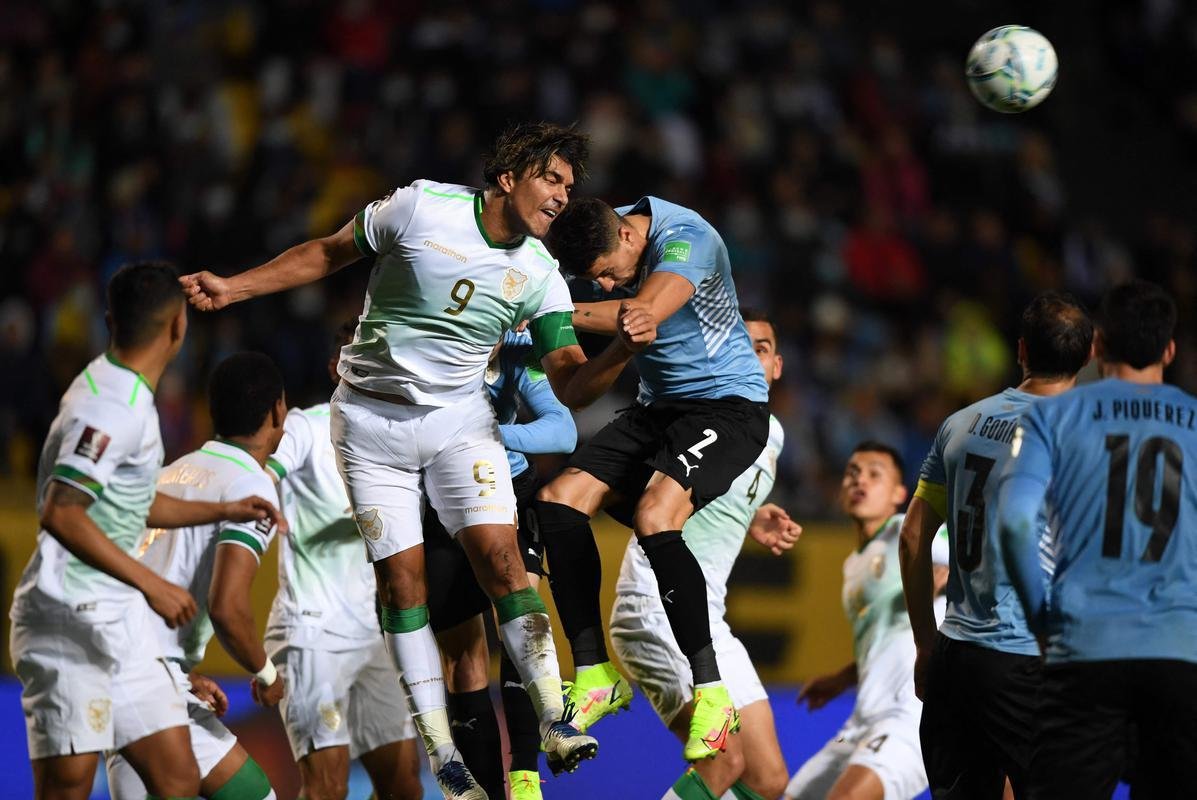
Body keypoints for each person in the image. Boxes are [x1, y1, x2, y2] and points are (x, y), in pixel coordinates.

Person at [179, 122, 654, 798]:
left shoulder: (540, 275)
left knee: (501, 557)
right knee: (403, 587)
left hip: (459, 421)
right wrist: (235, 288)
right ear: (509, 174)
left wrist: (620, 351)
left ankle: (556, 716)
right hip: (371, 418)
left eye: (570, 187)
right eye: (551, 179)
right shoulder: (419, 206)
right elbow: (324, 253)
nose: (561, 196)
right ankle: (444, 752)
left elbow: (570, 382)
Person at [9, 261, 282, 800]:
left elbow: (133, 502)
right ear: (178, 328)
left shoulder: (128, 395)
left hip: (119, 627)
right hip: (72, 618)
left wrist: (219, 512)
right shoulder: (111, 407)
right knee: (68, 788)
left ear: (110, 320)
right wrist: (154, 585)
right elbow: (62, 512)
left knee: (177, 781)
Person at [537, 195, 771, 762]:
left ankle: (712, 692)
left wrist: (545, 310)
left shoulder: (688, 237)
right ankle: (594, 670)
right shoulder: (599, 229)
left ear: (627, 237)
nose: (605, 284)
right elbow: (607, 334)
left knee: (653, 515)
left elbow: (639, 311)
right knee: (558, 500)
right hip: (659, 410)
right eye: (593, 279)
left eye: (606, 273)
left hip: (728, 407)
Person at [998, 280, 1197, 799]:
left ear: (1099, 344)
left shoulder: (1054, 416)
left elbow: (1016, 522)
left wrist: (1042, 622)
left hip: (1085, 648)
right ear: (1169, 350)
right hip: (1181, 650)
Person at [898, 291, 1094, 799]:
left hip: (957, 654)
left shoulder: (959, 424)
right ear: (1090, 355)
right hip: (1031, 662)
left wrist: (925, 644)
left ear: (1022, 350)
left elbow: (913, 535)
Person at [608, 308, 799, 800]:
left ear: (776, 365)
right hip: (655, 605)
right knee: (724, 759)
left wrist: (752, 515)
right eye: (741, 346)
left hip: (708, 618)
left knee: (768, 778)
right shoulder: (699, 411)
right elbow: (646, 483)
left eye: (761, 349)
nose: (751, 357)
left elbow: (706, 487)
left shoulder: (770, 433)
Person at [104, 352, 288, 799]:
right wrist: (267, 674)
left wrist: (180, 674)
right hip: (145, 683)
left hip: (116, 668)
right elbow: (228, 608)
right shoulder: (250, 485)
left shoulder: (168, 474)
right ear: (277, 412)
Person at [263, 322, 422, 800]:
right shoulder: (304, 428)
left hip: (373, 636)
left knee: (405, 789)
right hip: (312, 633)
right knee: (327, 789)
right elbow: (261, 471)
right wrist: (257, 504)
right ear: (338, 367)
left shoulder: (398, 444)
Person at [426, 327, 577, 800]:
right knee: (463, 661)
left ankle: (526, 776)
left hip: (510, 490)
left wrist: (488, 436)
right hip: (439, 503)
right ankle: (485, 789)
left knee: (518, 615)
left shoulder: (515, 352)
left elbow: (564, 429)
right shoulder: (428, 354)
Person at [785, 443, 950, 800]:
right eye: (852, 472)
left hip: (911, 715)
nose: (860, 480)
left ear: (898, 493)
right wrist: (840, 679)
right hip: (864, 719)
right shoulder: (853, 564)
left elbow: (976, 550)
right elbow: (883, 643)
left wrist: (956, 574)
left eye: (875, 474)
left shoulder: (905, 532)